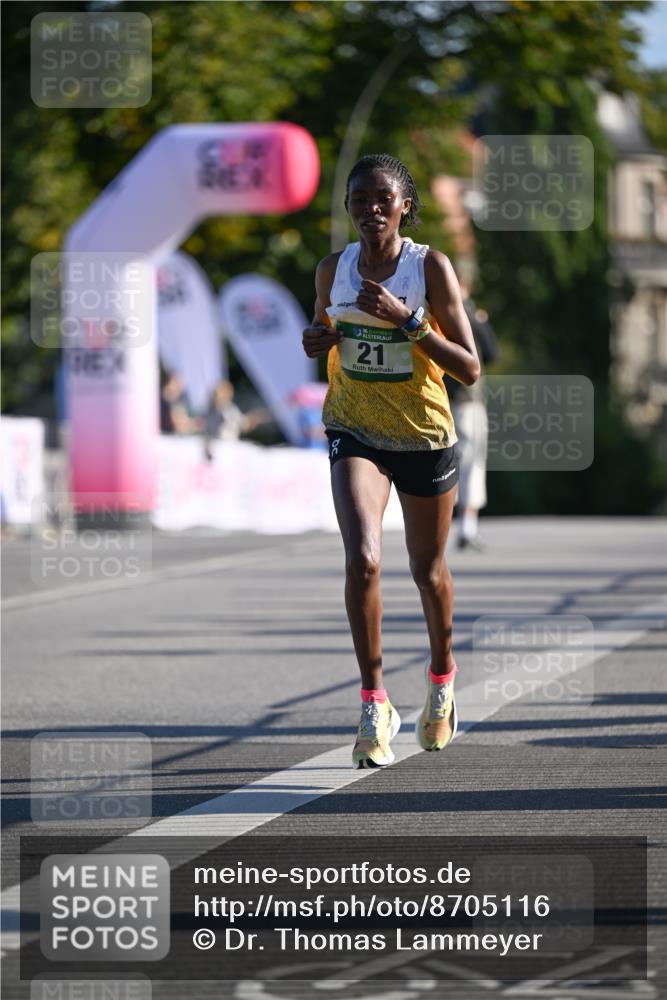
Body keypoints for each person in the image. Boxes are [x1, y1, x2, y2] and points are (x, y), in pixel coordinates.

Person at [301, 154, 480, 769]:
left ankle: (440, 679)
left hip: (424, 435)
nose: (370, 209)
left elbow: (470, 368)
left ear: (405, 206)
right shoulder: (333, 269)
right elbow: (323, 336)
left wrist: (411, 322)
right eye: (358, 199)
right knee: (363, 560)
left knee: (428, 571)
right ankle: (374, 701)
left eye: (383, 199)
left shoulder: (430, 267)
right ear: (347, 207)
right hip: (354, 427)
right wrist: (314, 340)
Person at [444, 278, 499, 550]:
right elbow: (491, 353)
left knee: (444, 462)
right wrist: (480, 319)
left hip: (440, 398)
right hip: (469, 399)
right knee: (471, 462)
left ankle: (443, 527)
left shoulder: (436, 312)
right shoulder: (469, 315)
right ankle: (467, 527)